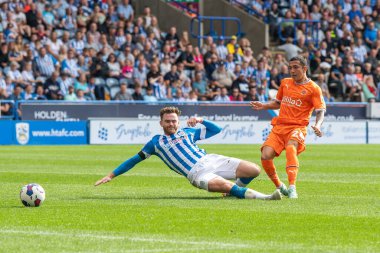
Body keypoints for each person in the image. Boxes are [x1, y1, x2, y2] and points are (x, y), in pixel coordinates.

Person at [95, 106, 281, 201]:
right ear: (161, 123)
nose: (171, 124)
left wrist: (201, 120)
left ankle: (234, 193)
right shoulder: (155, 142)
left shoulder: (188, 131)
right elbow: (134, 160)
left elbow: (216, 130)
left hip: (211, 159)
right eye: (167, 121)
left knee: (254, 170)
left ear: (178, 121)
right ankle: (265, 198)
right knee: (225, 185)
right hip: (197, 173)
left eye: (174, 121)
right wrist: (111, 175)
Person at [250, 56, 326, 199]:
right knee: (265, 156)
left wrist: (317, 124)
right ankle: (280, 186)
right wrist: (264, 105)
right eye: (290, 67)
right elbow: (278, 103)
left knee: (291, 147)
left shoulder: (314, 88)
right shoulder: (285, 83)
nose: (292, 70)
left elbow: (320, 110)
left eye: (296, 67)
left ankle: (292, 187)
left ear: (305, 69)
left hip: (298, 127)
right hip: (280, 126)